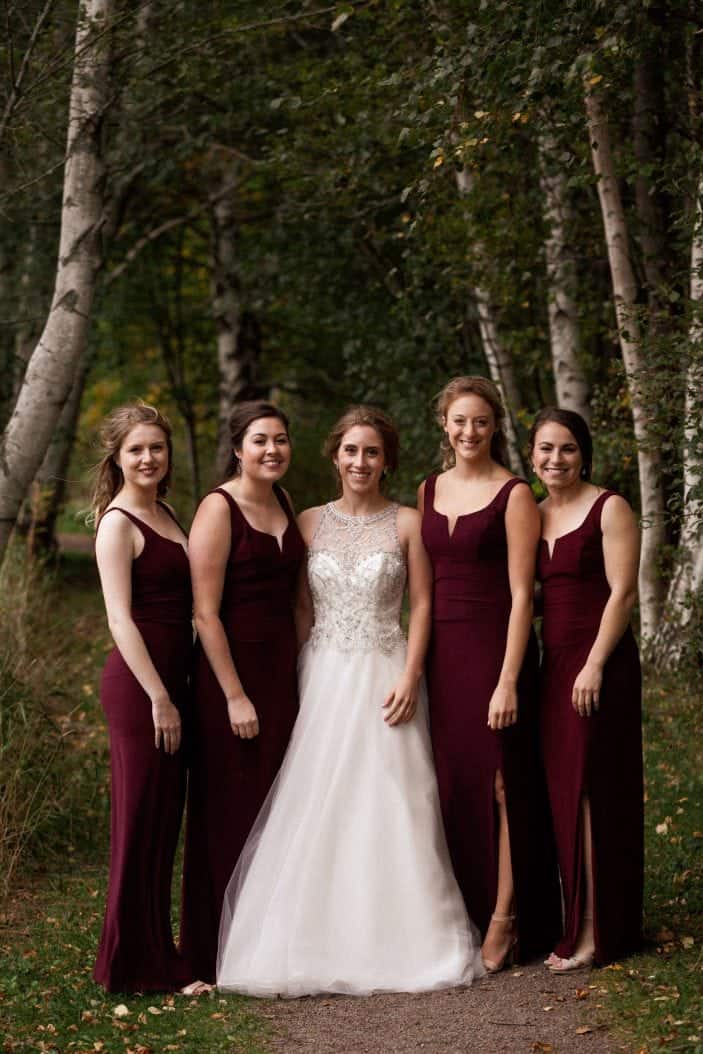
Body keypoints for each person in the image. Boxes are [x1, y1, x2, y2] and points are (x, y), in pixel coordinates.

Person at [217, 406, 484, 997]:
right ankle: (309, 938)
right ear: (334, 456)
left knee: (393, 800)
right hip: (323, 672)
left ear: (387, 460)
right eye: (351, 451)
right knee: (317, 797)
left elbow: (422, 605)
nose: (360, 462)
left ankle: (408, 939)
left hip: (387, 671)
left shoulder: (409, 523)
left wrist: (412, 676)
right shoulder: (307, 521)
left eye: (372, 452)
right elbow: (298, 608)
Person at [419, 376, 560, 973]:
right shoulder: (427, 489)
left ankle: (506, 914)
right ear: (444, 425)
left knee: (503, 783)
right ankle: (465, 911)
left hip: (495, 648)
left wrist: (507, 678)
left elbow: (524, 594)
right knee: (452, 782)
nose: (469, 431)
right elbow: (421, 589)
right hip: (441, 655)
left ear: (495, 426)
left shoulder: (515, 494)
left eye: (480, 421)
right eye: (459, 421)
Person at [180, 401, 305, 984]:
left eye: (280, 440)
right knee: (230, 810)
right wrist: (234, 696)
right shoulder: (218, 508)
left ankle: (266, 943)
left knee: (276, 808)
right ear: (237, 448)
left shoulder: (283, 501)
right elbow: (204, 614)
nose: (272, 450)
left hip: (282, 673)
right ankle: (215, 952)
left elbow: (298, 600)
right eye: (260, 441)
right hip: (231, 679)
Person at [530, 407, 643, 971]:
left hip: (600, 663)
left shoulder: (610, 507)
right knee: (563, 791)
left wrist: (595, 664)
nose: (556, 459)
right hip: (554, 668)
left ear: (584, 453)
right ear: (532, 456)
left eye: (567, 448)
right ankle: (574, 918)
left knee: (594, 791)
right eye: (546, 449)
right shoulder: (533, 513)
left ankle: (600, 930)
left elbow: (622, 593)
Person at [92, 402, 195, 993]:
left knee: (162, 821)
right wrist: (159, 696)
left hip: (175, 682)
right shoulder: (118, 523)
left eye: (156, 448)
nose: (148, 457)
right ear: (118, 457)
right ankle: (128, 966)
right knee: (137, 820)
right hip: (140, 689)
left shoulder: (168, 512)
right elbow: (119, 619)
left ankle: (159, 956)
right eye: (136, 449)